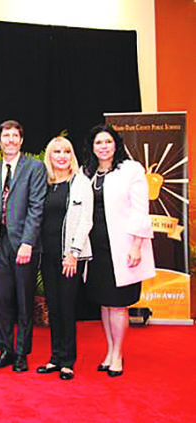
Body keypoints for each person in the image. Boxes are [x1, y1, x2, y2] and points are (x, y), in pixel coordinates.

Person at [82, 124, 155, 377]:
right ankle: (109, 350)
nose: (103, 147)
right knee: (105, 303)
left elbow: (140, 209)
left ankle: (118, 354)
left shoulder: (131, 170)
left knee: (118, 304)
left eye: (108, 142)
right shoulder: (87, 173)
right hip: (97, 250)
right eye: (98, 142)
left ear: (116, 144)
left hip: (123, 248)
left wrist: (136, 246)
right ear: (92, 147)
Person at [0, 120, 47, 373]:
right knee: (1, 300)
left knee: (24, 300)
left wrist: (27, 242)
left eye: (15, 136)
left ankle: (22, 353)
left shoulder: (34, 168)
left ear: (21, 140)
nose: (10, 140)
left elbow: (36, 208)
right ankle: (5, 350)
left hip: (23, 244)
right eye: (6, 136)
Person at [36, 137, 93, 381]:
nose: (62, 156)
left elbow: (86, 220)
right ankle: (55, 357)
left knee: (67, 308)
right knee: (54, 308)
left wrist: (73, 253)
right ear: (49, 156)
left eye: (66, 151)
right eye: (57, 151)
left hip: (70, 257)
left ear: (72, 156)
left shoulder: (80, 182)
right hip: (47, 256)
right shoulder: (46, 183)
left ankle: (68, 361)